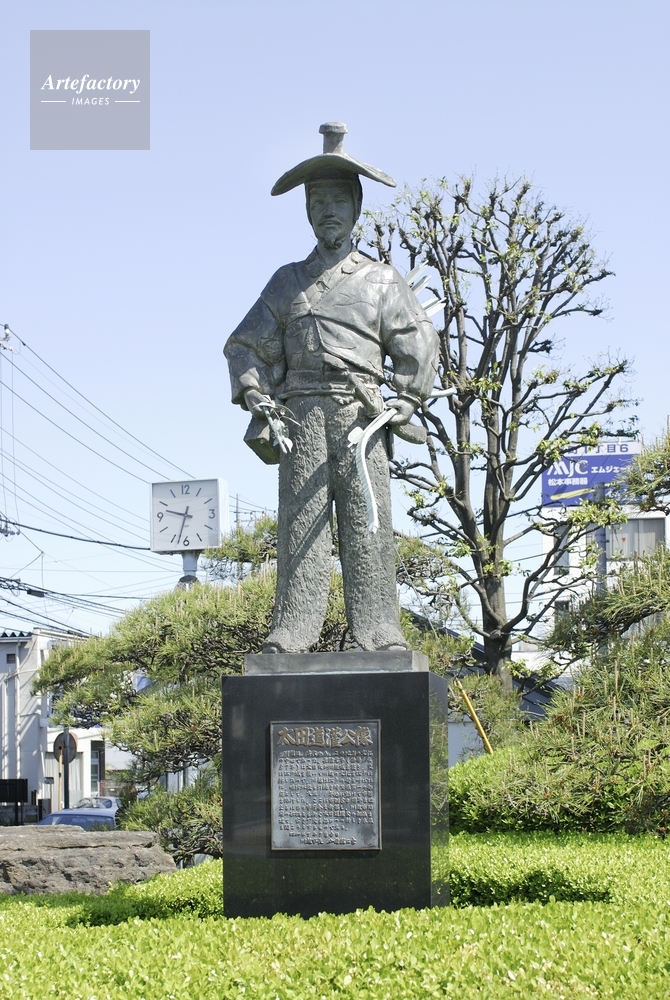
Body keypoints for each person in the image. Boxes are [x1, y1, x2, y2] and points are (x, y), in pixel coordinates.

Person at [224, 123, 438, 654]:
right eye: (317, 202)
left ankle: (379, 628)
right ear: (307, 211)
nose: (328, 211)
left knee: (368, 522)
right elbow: (245, 345)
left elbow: (416, 339)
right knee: (302, 525)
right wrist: (256, 394)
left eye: (338, 200)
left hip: (361, 415)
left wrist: (405, 398)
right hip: (300, 417)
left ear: (357, 207)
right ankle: (292, 630)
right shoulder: (286, 282)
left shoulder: (381, 280)